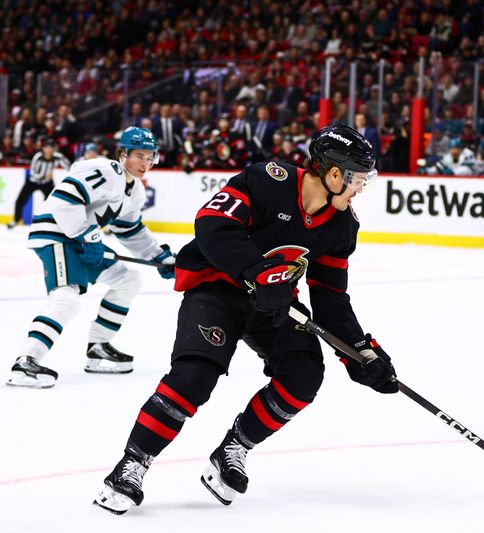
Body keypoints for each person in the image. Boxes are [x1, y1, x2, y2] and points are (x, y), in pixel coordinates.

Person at [93, 123, 399, 515]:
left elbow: (331, 297)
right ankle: (131, 465)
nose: (359, 189)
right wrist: (257, 272)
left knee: (304, 374)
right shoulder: (269, 180)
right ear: (334, 174)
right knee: (194, 376)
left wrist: (360, 352)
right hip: (217, 289)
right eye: (357, 179)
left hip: (274, 304)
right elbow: (212, 224)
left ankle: (233, 449)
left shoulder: (342, 226)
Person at [6, 127, 176, 388]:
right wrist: (90, 236)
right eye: (139, 156)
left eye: (150, 157)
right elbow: (65, 200)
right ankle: (25, 361)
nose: (145, 163)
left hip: (82, 240)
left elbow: (130, 231)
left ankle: (98, 348)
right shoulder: (107, 170)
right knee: (67, 298)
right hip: (58, 234)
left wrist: (158, 255)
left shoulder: (135, 192)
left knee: (128, 279)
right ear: (123, 153)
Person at [7, 138, 70, 229]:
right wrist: (44, 175)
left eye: (50, 147)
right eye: (46, 147)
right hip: (32, 182)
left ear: (53, 148)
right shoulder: (38, 157)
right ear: (43, 148)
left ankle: (49, 222)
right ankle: (16, 220)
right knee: (20, 201)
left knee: (51, 202)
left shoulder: (58, 157)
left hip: (47, 183)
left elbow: (69, 166)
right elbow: (33, 172)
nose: (48, 149)